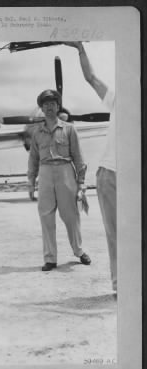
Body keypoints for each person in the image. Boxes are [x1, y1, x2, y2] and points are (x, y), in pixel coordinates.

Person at [64, 42, 116, 293]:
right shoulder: (119, 97)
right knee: (115, 235)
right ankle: (120, 286)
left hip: (136, 177)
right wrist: (80, 48)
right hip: (111, 174)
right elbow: (91, 77)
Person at [28, 89, 91, 271]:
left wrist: (81, 183)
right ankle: (50, 258)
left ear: (58, 106)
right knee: (46, 217)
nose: (49, 107)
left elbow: (78, 157)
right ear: (41, 107)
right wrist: (31, 182)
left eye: (53, 104)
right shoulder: (37, 133)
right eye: (46, 104)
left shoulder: (69, 129)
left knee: (71, 215)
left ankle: (79, 251)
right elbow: (33, 159)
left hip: (65, 173)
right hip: (45, 173)